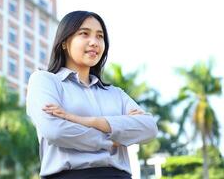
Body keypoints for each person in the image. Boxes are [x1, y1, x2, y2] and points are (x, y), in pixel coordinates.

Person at [26, 10, 158, 179]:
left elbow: (149, 127)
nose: (94, 42)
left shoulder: (115, 94)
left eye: (100, 36)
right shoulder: (44, 81)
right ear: (64, 42)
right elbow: (55, 131)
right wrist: (112, 140)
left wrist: (85, 121)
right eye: (84, 34)